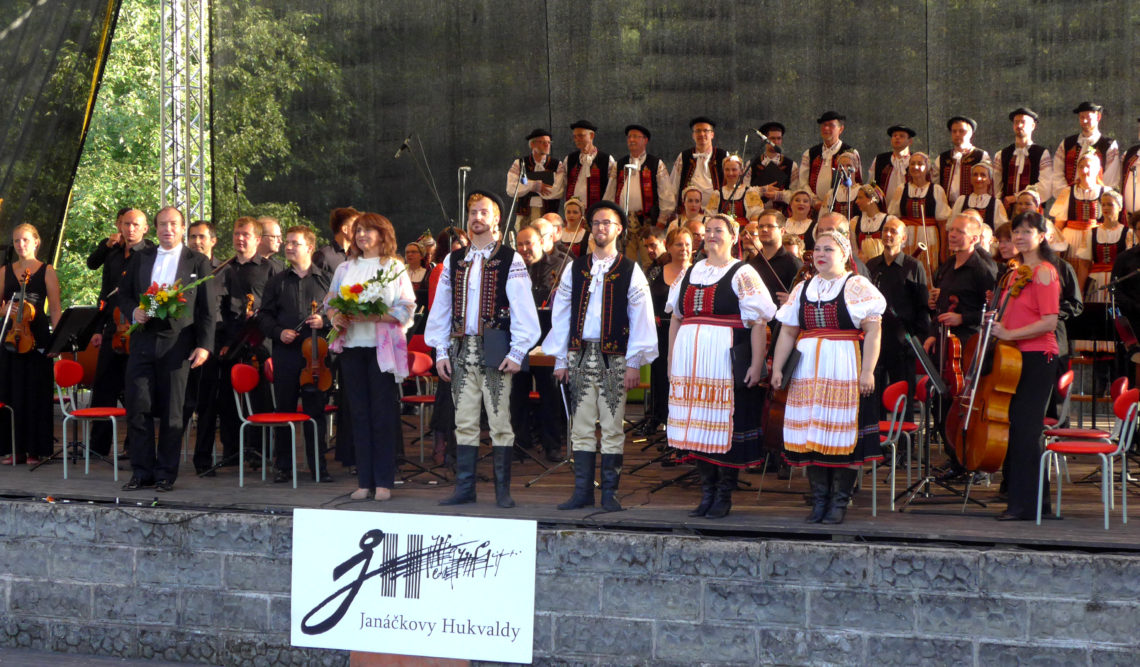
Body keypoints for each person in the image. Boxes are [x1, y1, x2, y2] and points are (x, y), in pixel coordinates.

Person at [425, 191, 540, 508]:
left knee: (500, 420)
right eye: (473, 212)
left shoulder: (509, 258)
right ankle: (465, 488)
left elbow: (523, 310)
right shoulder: (454, 259)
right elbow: (441, 308)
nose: (477, 217)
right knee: (464, 420)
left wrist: (518, 351)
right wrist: (441, 351)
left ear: (496, 218)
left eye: (483, 212)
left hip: (495, 347)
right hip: (462, 347)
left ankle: (502, 491)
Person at [544, 201, 658, 511]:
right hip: (580, 354)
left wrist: (634, 361)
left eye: (607, 222)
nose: (601, 228)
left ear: (619, 229)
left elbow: (642, 318)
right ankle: (582, 492)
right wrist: (561, 358)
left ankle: (610, 493)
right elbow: (562, 313)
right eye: (596, 223)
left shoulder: (630, 270)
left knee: (611, 425)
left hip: (615, 357)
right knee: (580, 426)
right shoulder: (576, 267)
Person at [770, 231, 886, 525]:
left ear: (844, 254)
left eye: (828, 249)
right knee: (812, 434)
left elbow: (873, 331)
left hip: (843, 366)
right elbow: (787, 331)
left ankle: (839, 501)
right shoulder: (803, 288)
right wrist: (778, 368)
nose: (820, 254)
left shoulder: (856, 286)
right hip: (808, 370)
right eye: (816, 249)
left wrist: (867, 371)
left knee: (839, 434)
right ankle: (819, 500)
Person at [667, 214, 776, 519]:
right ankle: (707, 491)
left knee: (723, 426)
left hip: (724, 364)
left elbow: (758, 322)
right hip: (691, 366)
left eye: (719, 230)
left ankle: (723, 493)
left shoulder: (743, 273)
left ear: (733, 236)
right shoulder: (689, 273)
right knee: (699, 426)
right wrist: (672, 362)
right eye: (708, 231)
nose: (712, 235)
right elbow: (676, 319)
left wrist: (757, 364)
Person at [119, 207, 216, 491]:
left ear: (182, 227)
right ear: (155, 228)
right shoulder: (141, 257)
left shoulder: (197, 261)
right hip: (143, 342)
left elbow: (208, 309)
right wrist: (134, 311)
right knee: (138, 407)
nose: (167, 229)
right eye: (162, 224)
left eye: (173, 224)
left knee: (174, 412)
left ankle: (165, 474)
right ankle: (142, 471)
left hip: (178, 345)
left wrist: (205, 346)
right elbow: (123, 294)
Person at [326, 213, 415, 501]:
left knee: (382, 416)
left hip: (382, 352)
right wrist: (336, 316)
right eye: (358, 230)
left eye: (368, 230)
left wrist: (378, 315)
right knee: (358, 415)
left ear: (382, 233)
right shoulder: (344, 268)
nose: (362, 235)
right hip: (352, 349)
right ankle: (364, 481)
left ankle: (384, 481)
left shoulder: (394, 267)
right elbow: (330, 301)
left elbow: (407, 306)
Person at [991, 211, 1062, 520]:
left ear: (1041, 236)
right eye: (1015, 231)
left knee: (1025, 429)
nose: (1019, 236)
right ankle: (1036, 505)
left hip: (1037, 356)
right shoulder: (1017, 271)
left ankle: (1024, 506)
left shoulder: (1044, 271)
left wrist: (1009, 333)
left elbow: (1049, 321)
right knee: (1020, 428)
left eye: (1026, 231)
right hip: (1014, 356)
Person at [194, 216, 278, 475]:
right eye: (236, 234)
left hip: (259, 342)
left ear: (257, 239)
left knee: (260, 399)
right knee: (227, 401)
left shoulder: (270, 268)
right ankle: (232, 451)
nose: (240, 239)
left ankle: (261, 453)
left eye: (245, 234)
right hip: (228, 343)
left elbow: (276, 304)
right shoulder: (223, 269)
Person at [259, 226, 333, 484]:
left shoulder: (327, 280)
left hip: (316, 357)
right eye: (287, 243)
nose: (288, 247)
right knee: (285, 410)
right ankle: (284, 468)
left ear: (310, 248)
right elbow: (264, 317)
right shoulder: (276, 281)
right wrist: (279, 332)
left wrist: (323, 321)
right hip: (287, 356)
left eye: (295, 243)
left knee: (316, 414)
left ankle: (319, 468)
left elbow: (338, 315)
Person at [86, 208, 153, 457]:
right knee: (103, 388)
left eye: (136, 224)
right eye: (126, 224)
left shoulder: (151, 254)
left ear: (145, 228)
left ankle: (134, 447)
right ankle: (98, 448)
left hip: (139, 329)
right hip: (113, 329)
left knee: (135, 391)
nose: (130, 229)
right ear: (120, 225)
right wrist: (97, 328)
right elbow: (104, 293)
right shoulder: (113, 253)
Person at [0, 223, 62, 464]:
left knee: (35, 391)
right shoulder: (5, 271)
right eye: (16, 241)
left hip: (36, 336)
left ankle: (35, 449)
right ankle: (13, 449)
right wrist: (4, 309)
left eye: (25, 240)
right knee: (10, 391)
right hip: (9, 337)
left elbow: (55, 309)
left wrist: (58, 342)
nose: (20, 245)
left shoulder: (46, 270)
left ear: (36, 242)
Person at [510, 227, 564, 462]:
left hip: (546, 339)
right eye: (519, 244)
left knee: (549, 393)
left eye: (528, 244)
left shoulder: (561, 265)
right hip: (519, 339)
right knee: (516, 393)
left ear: (541, 242)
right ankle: (520, 441)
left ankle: (552, 443)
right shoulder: (513, 266)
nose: (523, 249)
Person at [867, 218, 930, 408]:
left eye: (893, 231)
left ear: (903, 238)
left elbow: (922, 304)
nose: (888, 234)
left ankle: (903, 438)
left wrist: (919, 337)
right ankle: (877, 436)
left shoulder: (913, 266)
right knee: (874, 395)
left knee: (901, 397)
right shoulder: (871, 265)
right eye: (885, 230)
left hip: (903, 340)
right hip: (877, 337)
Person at [641, 227, 693, 437]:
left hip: (687, 333)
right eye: (679, 244)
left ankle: (680, 421)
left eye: (688, 244)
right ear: (669, 247)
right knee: (660, 375)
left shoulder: (698, 271)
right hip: (661, 331)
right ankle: (657, 416)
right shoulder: (655, 272)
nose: (684, 249)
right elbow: (645, 300)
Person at [426, 226, 468, 467]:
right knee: (446, 396)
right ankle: (441, 443)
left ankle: (454, 446)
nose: (460, 246)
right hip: (447, 338)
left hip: (462, 339)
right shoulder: (441, 269)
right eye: (455, 242)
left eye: (462, 242)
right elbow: (438, 308)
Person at [607, 124, 674, 259]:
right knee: (625, 261)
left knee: (650, 260)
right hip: (624, 222)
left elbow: (666, 194)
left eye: (636, 137)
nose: (632, 140)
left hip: (648, 221)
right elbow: (610, 193)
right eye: (630, 137)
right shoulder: (619, 164)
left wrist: (661, 221)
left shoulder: (656, 164)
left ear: (645, 140)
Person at [1051, 148, 1115, 290]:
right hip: (1071, 240)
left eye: (1088, 167)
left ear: (1097, 169)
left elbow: (1112, 222)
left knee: (1091, 279)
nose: (1084, 170)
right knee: (1070, 277)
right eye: (1081, 166)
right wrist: (1054, 246)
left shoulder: (1106, 192)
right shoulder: (1069, 191)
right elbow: (1059, 223)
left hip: (1095, 239)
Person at [887, 152, 950, 271]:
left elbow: (943, 224)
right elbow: (894, 219)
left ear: (927, 168)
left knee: (927, 270)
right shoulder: (901, 189)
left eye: (920, 164)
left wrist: (943, 251)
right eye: (912, 164)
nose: (915, 167)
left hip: (929, 237)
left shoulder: (936, 190)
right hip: (906, 238)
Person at [795, 111, 861, 214]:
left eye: (831, 125)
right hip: (813, 208)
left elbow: (857, 181)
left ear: (841, 129)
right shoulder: (810, 153)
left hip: (841, 209)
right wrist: (815, 201)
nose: (826, 128)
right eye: (824, 125)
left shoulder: (851, 152)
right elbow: (803, 183)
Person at [994, 107, 1053, 213]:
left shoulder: (1042, 153)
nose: (1019, 125)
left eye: (1023, 122)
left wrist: (1016, 197)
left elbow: (1045, 186)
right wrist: (1001, 204)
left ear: (1033, 126)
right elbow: (996, 186)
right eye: (1016, 122)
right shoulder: (1001, 154)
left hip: (1032, 211)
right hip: (1005, 211)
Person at [1054, 101, 1121, 193]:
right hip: (1069, 198)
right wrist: (1066, 194)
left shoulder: (1109, 145)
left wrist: (1098, 197)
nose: (1084, 121)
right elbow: (1057, 172)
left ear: (1098, 117)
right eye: (1082, 117)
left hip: (1097, 200)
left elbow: (1110, 178)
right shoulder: (1067, 143)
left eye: (1088, 118)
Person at [506, 128, 563, 229]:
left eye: (549, 142)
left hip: (548, 213)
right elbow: (511, 189)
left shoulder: (557, 165)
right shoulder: (520, 164)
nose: (547, 145)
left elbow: (558, 191)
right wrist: (534, 186)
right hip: (525, 213)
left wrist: (525, 188)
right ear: (532, 144)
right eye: (542, 142)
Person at [558, 120, 615, 209]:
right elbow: (563, 182)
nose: (577, 139)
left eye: (580, 135)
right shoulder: (569, 159)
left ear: (591, 135)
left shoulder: (607, 159)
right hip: (574, 211)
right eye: (575, 137)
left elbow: (612, 188)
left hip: (597, 210)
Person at [671, 116, 727, 208]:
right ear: (693, 135)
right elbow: (674, 185)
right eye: (697, 131)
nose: (701, 134)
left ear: (712, 134)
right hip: (689, 212)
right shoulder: (683, 157)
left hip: (717, 211)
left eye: (706, 131)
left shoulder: (723, 156)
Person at [934, 116, 989, 208]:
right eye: (954, 131)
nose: (957, 134)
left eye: (961, 131)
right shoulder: (942, 158)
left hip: (973, 206)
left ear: (971, 133)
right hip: (947, 208)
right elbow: (935, 184)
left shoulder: (981, 156)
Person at [745, 121, 798, 213]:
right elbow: (745, 191)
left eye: (779, 138)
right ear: (764, 140)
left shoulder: (791, 165)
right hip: (756, 213)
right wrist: (762, 190)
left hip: (783, 213)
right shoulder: (751, 164)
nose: (776, 142)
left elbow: (796, 193)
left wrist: (778, 195)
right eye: (772, 139)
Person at [950, 161, 1009, 232]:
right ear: (971, 179)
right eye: (975, 175)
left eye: (983, 175)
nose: (979, 178)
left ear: (989, 180)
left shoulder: (996, 203)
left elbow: (1002, 230)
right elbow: (951, 225)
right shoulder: (961, 200)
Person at [706, 154, 763, 225]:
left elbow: (756, 217)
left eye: (734, 169)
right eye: (727, 170)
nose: (730, 173)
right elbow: (710, 218)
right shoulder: (717, 194)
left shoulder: (750, 193)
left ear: (741, 171)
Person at [870, 125, 915, 202]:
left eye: (902, 136)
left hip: (909, 208)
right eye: (894, 136)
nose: (897, 138)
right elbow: (871, 184)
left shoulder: (916, 160)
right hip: (884, 209)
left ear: (910, 141)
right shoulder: (880, 159)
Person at [851, 184, 890, 262]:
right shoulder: (855, 222)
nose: (856, 201)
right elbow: (854, 250)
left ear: (872, 199)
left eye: (860, 197)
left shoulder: (888, 221)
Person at [313, 207, 358, 273]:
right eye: (356, 226)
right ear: (345, 229)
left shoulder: (358, 255)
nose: (360, 231)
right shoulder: (323, 255)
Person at [783, 188, 817, 253]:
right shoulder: (782, 222)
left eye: (805, 201)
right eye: (797, 200)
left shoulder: (815, 226)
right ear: (791, 204)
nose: (801, 203)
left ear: (809, 206)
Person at [404, 241, 430, 313]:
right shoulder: (400, 271)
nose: (409, 254)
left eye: (413, 252)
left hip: (420, 310)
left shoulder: (427, 273)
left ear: (421, 256)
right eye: (407, 252)